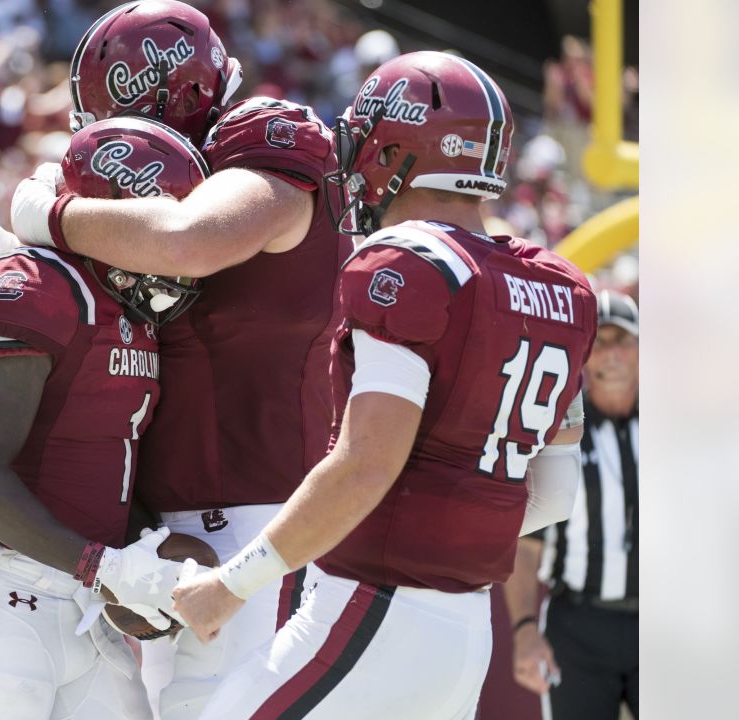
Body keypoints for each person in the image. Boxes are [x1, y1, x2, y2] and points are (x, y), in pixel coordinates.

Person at [171, 51, 598, 719]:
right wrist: (454, 520)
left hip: (378, 609)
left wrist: (232, 584)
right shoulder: (559, 286)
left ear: (393, 144)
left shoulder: (406, 264)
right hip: (464, 636)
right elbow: (556, 492)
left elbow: (366, 464)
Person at [0, 3, 350, 716]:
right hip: (158, 545)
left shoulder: (262, 139)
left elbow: (188, 241)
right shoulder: (134, 214)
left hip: (273, 525)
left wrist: (47, 219)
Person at [0, 117, 208, 720]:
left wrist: (145, 561)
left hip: (83, 598)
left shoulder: (128, 310)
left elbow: (102, 460)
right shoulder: (36, 287)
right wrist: (108, 567)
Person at [505, 289, 639, 719]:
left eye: (623, 340)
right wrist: (525, 630)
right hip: (578, 625)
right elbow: (525, 546)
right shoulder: (560, 432)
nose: (611, 355)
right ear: (582, 355)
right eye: (600, 342)